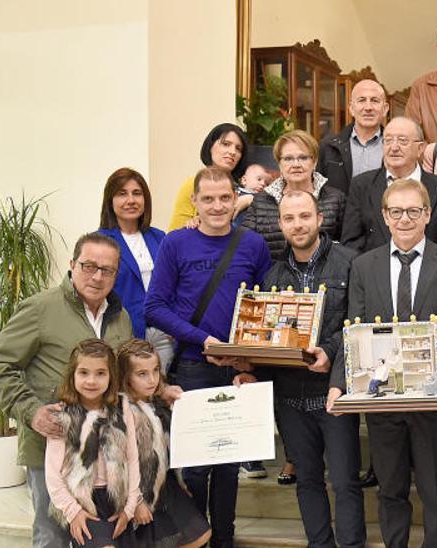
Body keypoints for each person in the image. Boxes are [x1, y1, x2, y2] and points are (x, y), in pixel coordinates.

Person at [328, 179, 437, 548]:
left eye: (414, 211)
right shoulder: (363, 265)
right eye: (396, 211)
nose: (405, 219)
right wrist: (337, 384)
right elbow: (351, 329)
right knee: (390, 489)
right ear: (384, 216)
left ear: (428, 214)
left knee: (436, 491)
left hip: (431, 398)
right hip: (382, 398)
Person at [145, 167, 273, 546]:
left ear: (235, 200)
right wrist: (205, 341)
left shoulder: (253, 244)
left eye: (224, 198)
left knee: (229, 464)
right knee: (197, 466)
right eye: (208, 199)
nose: (217, 206)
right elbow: (154, 307)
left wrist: (249, 358)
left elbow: (265, 306)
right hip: (192, 365)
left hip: (239, 368)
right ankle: (196, 537)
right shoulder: (175, 244)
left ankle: (225, 540)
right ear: (195, 203)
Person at [0, 232, 133, 547]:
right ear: (72, 265)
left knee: (98, 538)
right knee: (52, 536)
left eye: (107, 270)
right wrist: (31, 411)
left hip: (105, 459)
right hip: (50, 446)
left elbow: (124, 381)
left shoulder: (122, 318)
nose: (97, 276)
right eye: (88, 265)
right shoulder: (40, 308)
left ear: (116, 274)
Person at [235, 190, 364, 548]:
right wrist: (252, 372)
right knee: (307, 479)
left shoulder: (351, 263)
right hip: (290, 398)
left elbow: (359, 323)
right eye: (289, 218)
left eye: (304, 216)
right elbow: (266, 341)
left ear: (319, 218)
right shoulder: (271, 276)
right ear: (280, 224)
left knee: (344, 480)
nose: (298, 224)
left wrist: (331, 351)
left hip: (334, 394)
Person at [44, 339, 141, 548]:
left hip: (117, 498)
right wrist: (73, 511)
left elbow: (133, 459)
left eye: (100, 373)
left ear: (111, 376)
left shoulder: (122, 408)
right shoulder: (61, 415)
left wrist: (130, 507)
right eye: (84, 373)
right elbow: (52, 475)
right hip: (82, 502)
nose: (91, 381)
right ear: (73, 375)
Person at [117, 339, 211, 548]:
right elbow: (120, 466)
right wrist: (137, 502)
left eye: (156, 371)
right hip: (138, 490)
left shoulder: (156, 403)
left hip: (166, 485)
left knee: (200, 534)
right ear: (125, 376)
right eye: (142, 374)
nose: (152, 379)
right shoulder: (122, 412)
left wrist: (180, 482)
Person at [340, 116, 437, 254]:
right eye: (388, 140)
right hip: (375, 273)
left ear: (420, 148)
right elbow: (350, 246)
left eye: (402, 141)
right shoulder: (362, 185)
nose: (394, 147)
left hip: (430, 273)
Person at [97, 168, 173, 367]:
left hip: (164, 335)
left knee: (159, 392)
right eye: (122, 194)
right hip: (124, 335)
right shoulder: (100, 242)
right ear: (110, 201)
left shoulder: (160, 237)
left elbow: (176, 284)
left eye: (137, 193)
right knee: (127, 395)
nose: (131, 200)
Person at [242, 129, 348, 260]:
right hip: (272, 278)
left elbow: (346, 249)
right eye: (288, 159)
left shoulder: (336, 199)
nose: (296, 164)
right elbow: (244, 247)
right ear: (279, 164)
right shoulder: (260, 202)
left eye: (303, 158)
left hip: (325, 278)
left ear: (314, 162)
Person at [169, 123, 249, 230]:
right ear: (210, 146)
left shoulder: (246, 186)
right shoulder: (193, 184)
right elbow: (175, 233)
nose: (232, 152)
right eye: (226, 144)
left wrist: (250, 199)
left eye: (238, 148)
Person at [318, 79, 389, 196]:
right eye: (361, 100)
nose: (368, 107)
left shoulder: (395, 147)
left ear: (385, 109)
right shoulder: (328, 147)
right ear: (351, 108)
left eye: (375, 101)